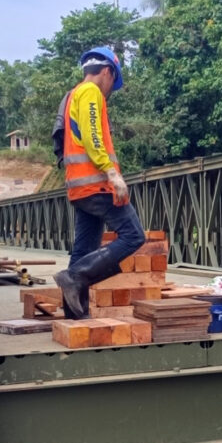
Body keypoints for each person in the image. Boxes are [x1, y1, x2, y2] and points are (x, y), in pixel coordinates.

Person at [54, 47, 145, 319]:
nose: (109, 90)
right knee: (133, 235)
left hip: (80, 187)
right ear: (107, 72)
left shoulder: (72, 95)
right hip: (97, 184)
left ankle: (75, 314)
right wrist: (112, 173)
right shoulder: (91, 92)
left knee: (84, 249)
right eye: (111, 84)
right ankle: (76, 276)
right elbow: (93, 137)